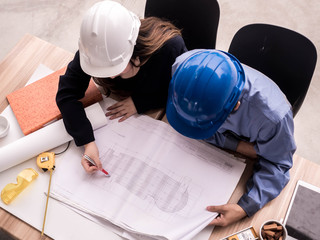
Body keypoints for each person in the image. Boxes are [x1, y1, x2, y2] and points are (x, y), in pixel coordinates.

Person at [166, 49, 296, 227]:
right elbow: (190, 125)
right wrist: (239, 146)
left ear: (236, 106)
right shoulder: (184, 66)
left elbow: (278, 164)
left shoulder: (273, 119)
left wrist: (244, 207)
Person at [56, 1, 187, 174]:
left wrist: (140, 102)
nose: (110, 76)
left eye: (116, 67)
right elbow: (66, 95)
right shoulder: (94, 52)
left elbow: (182, 93)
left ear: (134, 52)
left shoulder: (170, 49)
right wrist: (88, 142)